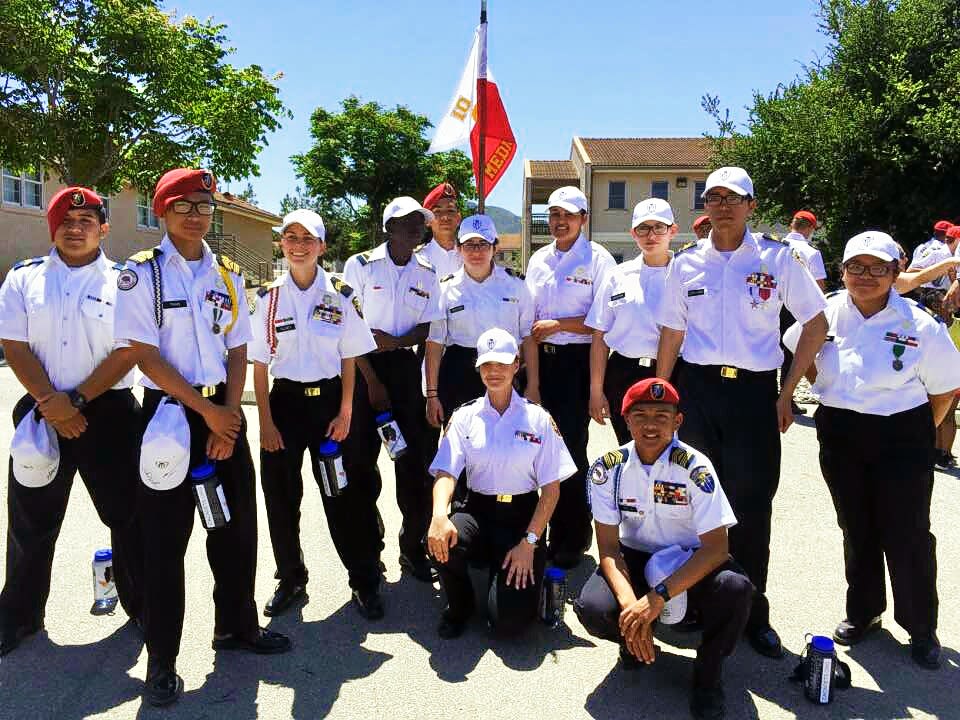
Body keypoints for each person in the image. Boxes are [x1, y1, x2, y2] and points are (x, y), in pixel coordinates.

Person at [115, 168, 290, 706]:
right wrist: (207, 413)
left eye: (204, 205)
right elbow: (142, 354)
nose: (196, 213)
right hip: (171, 416)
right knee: (165, 545)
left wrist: (228, 417)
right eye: (184, 205)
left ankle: (236, 627)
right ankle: (162, 661)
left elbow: (239, 349)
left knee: (236, 534)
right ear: (163, 212)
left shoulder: (230, 274)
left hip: (222, 415)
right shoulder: (141, 275)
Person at [656, 166, 828, 659]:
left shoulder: (779, 257)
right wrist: (664, 395)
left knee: (752, 504)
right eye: (714, 198)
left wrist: (786, 391)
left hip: (755, 395)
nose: (723, 205)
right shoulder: (686, 264)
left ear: (752, 205)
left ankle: (753, 611)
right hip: (698, 391)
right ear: (704, 207)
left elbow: (815, 323)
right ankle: (694, 602)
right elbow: (672, 331)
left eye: (734, 198)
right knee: (692, 501)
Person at [784, 231, 960, 670]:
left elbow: (945, 389)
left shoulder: (919, 323)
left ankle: (921, 627)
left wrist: (919, 433)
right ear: (842, 271)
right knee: (856, 526)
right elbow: (798, 351)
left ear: (896, 273)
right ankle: (864, 612)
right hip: (841, 430)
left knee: (909, 533)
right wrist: (822, 387)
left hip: (903, 434)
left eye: (877, 268)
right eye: (856, 267)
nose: (865, 276)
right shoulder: (822, 314)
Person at [0, 187, 143, 656]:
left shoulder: (126, 281)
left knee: (127, 518)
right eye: (66, 218)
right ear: (52, 227)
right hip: (43, 411)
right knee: (29, 522)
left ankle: (142, 608)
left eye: (86, 219)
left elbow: (130, 351)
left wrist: (77, 399)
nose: (75, 227)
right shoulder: (24, 279)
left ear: (103, 228)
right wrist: (51, 401)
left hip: (110, 414)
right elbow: (14, 345)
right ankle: (19, 617)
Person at [574, 377, 752, 720]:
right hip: (633, 559)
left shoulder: (695, 468)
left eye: (662, 415)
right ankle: (636, 637)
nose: (651, 424)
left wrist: (656, 599)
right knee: (593, 607)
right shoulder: (607, 468)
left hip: (690, 560)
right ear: (626, 420)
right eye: (640, 415)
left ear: (678, 421)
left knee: (735, 589)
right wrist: (631, 609)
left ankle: (708, 676)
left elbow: (716, 549)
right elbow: (609, 549)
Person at [250, 209, 384, 620]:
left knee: (343, 496)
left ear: (322, 247)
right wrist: (266, 422)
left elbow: (349, 358)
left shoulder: (340, 294)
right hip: (285, 405)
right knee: (280, 496)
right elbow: (258, 363)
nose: (298, 245)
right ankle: (291, 578)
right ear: (282, 244)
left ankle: (363, 582)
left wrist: (346, 412)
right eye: (290, 237)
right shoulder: (268, 298)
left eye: (308, 238)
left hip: (329, 404)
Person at [427, 328, 575, 638]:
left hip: (522, 519)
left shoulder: (538, 419)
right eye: (487, 365)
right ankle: (460, 605)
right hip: (478, 510)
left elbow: (551, 490)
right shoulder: (464, 417)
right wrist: (439, 515)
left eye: (502, 364)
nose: (494, 372)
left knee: (510, 626)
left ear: (517, 364)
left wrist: (529, 543)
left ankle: (518, 571)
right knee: (443, 540)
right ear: (478, 367)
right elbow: (446, 473)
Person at [343, 196, 443, 582]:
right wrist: (371, 381)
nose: (417, 228)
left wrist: (395, 343)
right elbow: (349, 330)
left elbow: (429, 327)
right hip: (363, 368)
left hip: (406, 370)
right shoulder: (361, 266)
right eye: (407, 222)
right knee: (361, 465)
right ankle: (369, 551)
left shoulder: (427, 270)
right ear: (388, 228)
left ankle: (412, 548)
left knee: (414, 465)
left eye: (421, 222)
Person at [525, 186, 617, 568]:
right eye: (554, 215)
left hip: (578, 363)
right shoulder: (539, 259)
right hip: (540, 362)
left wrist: (558, 324)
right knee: (535, 448)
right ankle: (537, 531)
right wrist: (531, 382)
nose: (559, 222)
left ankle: (572, 538)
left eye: (568, 215)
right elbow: (529, 324)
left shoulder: (599, 260)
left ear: (584, 219)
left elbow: (602, 324)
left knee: (569, 452)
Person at [425, 213, 538, 427]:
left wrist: (533, 385)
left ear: (495, 247)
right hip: (459, 372)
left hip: (505, 371)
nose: (476, 251)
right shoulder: (444, 288)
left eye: (482, 244)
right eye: (469, 244)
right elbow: (434, 343)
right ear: (458, 249)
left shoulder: (516, 285)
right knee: (461, 446)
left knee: (509, 441)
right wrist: (432, 395)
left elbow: (528, 338)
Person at [587, 198, 674, 444]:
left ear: (672, 231)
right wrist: (596, 391)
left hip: (671, 371)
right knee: (629, 448)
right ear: (633, 234)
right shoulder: (618, 275)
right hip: (623, 373)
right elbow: (600, 336)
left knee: (668, 450)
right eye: (643, 229)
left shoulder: (684, 274)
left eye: (659, 227)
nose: (651, 235)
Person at [778, 210, 827, 416]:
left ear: (792, 224)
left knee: (772, 349)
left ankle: (772, 395)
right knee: (792, 353)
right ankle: (786, 398)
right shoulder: (811, 252)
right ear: (810, 228)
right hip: (797, 309)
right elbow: (819, 286)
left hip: (771, 305)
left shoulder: (778, 246)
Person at [418, 182, 464, 277]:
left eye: (450, 210)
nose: (445, 217)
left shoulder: (470, 256)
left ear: (459, 218)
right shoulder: (417, 259)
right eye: (437, 211)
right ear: (427, 221)